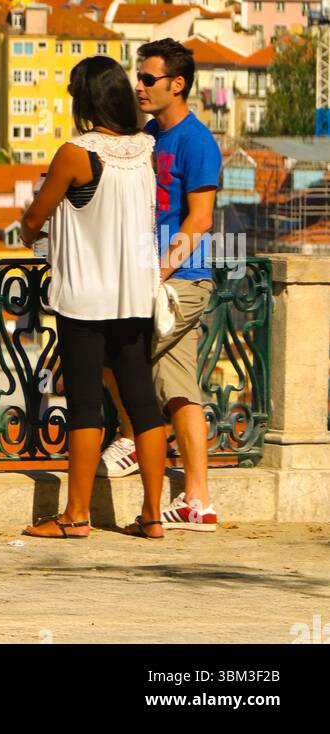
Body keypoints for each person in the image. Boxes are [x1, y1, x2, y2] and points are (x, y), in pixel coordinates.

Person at [19, 56, 169, 540]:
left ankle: (76, 515)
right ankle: (152, 515)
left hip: (85, 298)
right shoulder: (146, 148)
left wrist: (30, 232)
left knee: (85, 405)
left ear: (84, 100)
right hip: (135, 295)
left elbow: (35, 218)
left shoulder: (76, 153)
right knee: (143, 405)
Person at [98, 38, 222, 533]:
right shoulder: (148, 135)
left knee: (112, 352)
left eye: (149, 79)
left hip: (181, 279)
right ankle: (198, 500)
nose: (139, 86)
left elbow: (201, 219)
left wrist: (161, 271)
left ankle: (130, 441)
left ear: (178, 84)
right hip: (153, 274)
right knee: (179, 388)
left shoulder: (197, 141)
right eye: (138, 77)